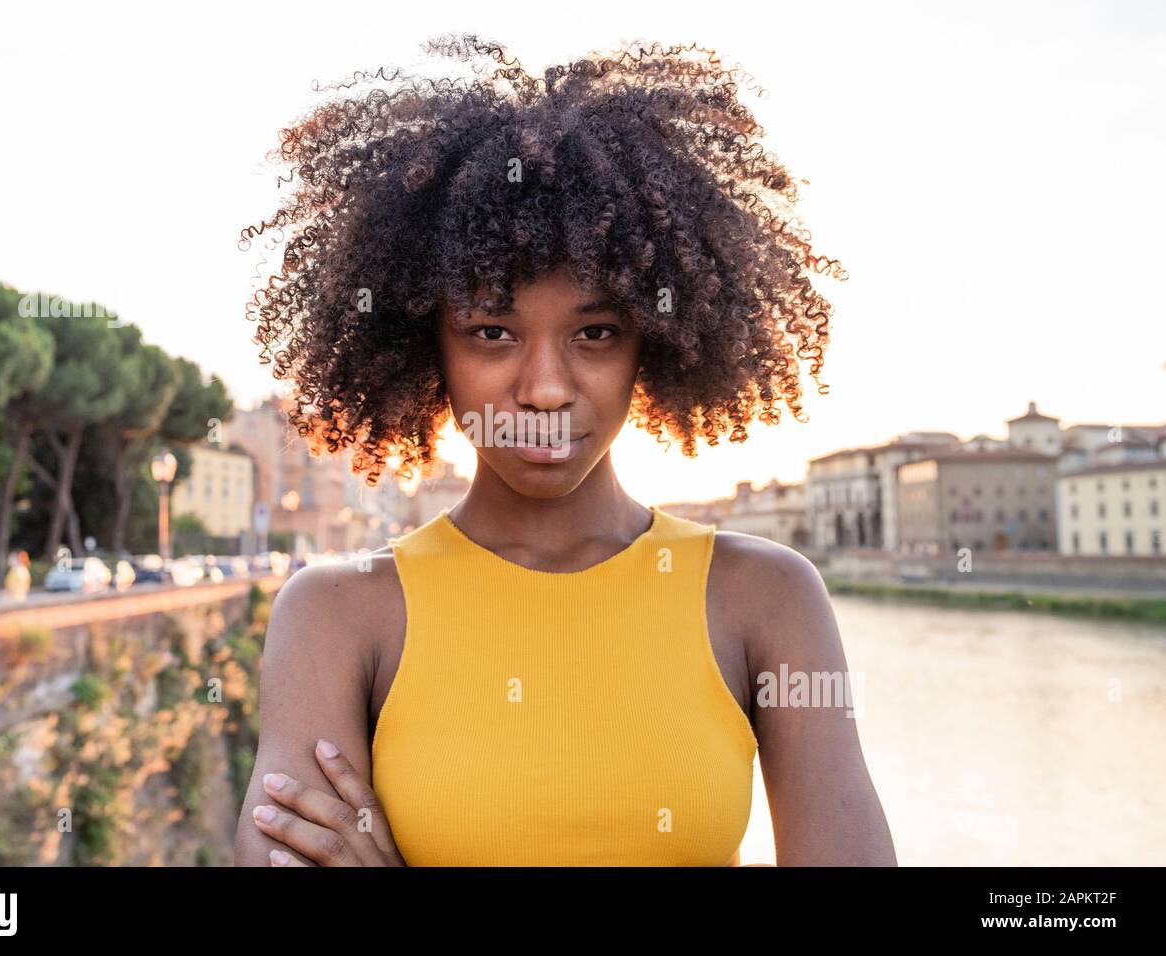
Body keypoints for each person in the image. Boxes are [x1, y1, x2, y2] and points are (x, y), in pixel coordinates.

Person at [234, 35, 896, 867]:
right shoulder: (334, 614)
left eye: (595, 333)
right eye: (491, 331)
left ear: (653, 343)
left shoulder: (768, 599)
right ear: (424, 346)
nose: (544, 388)